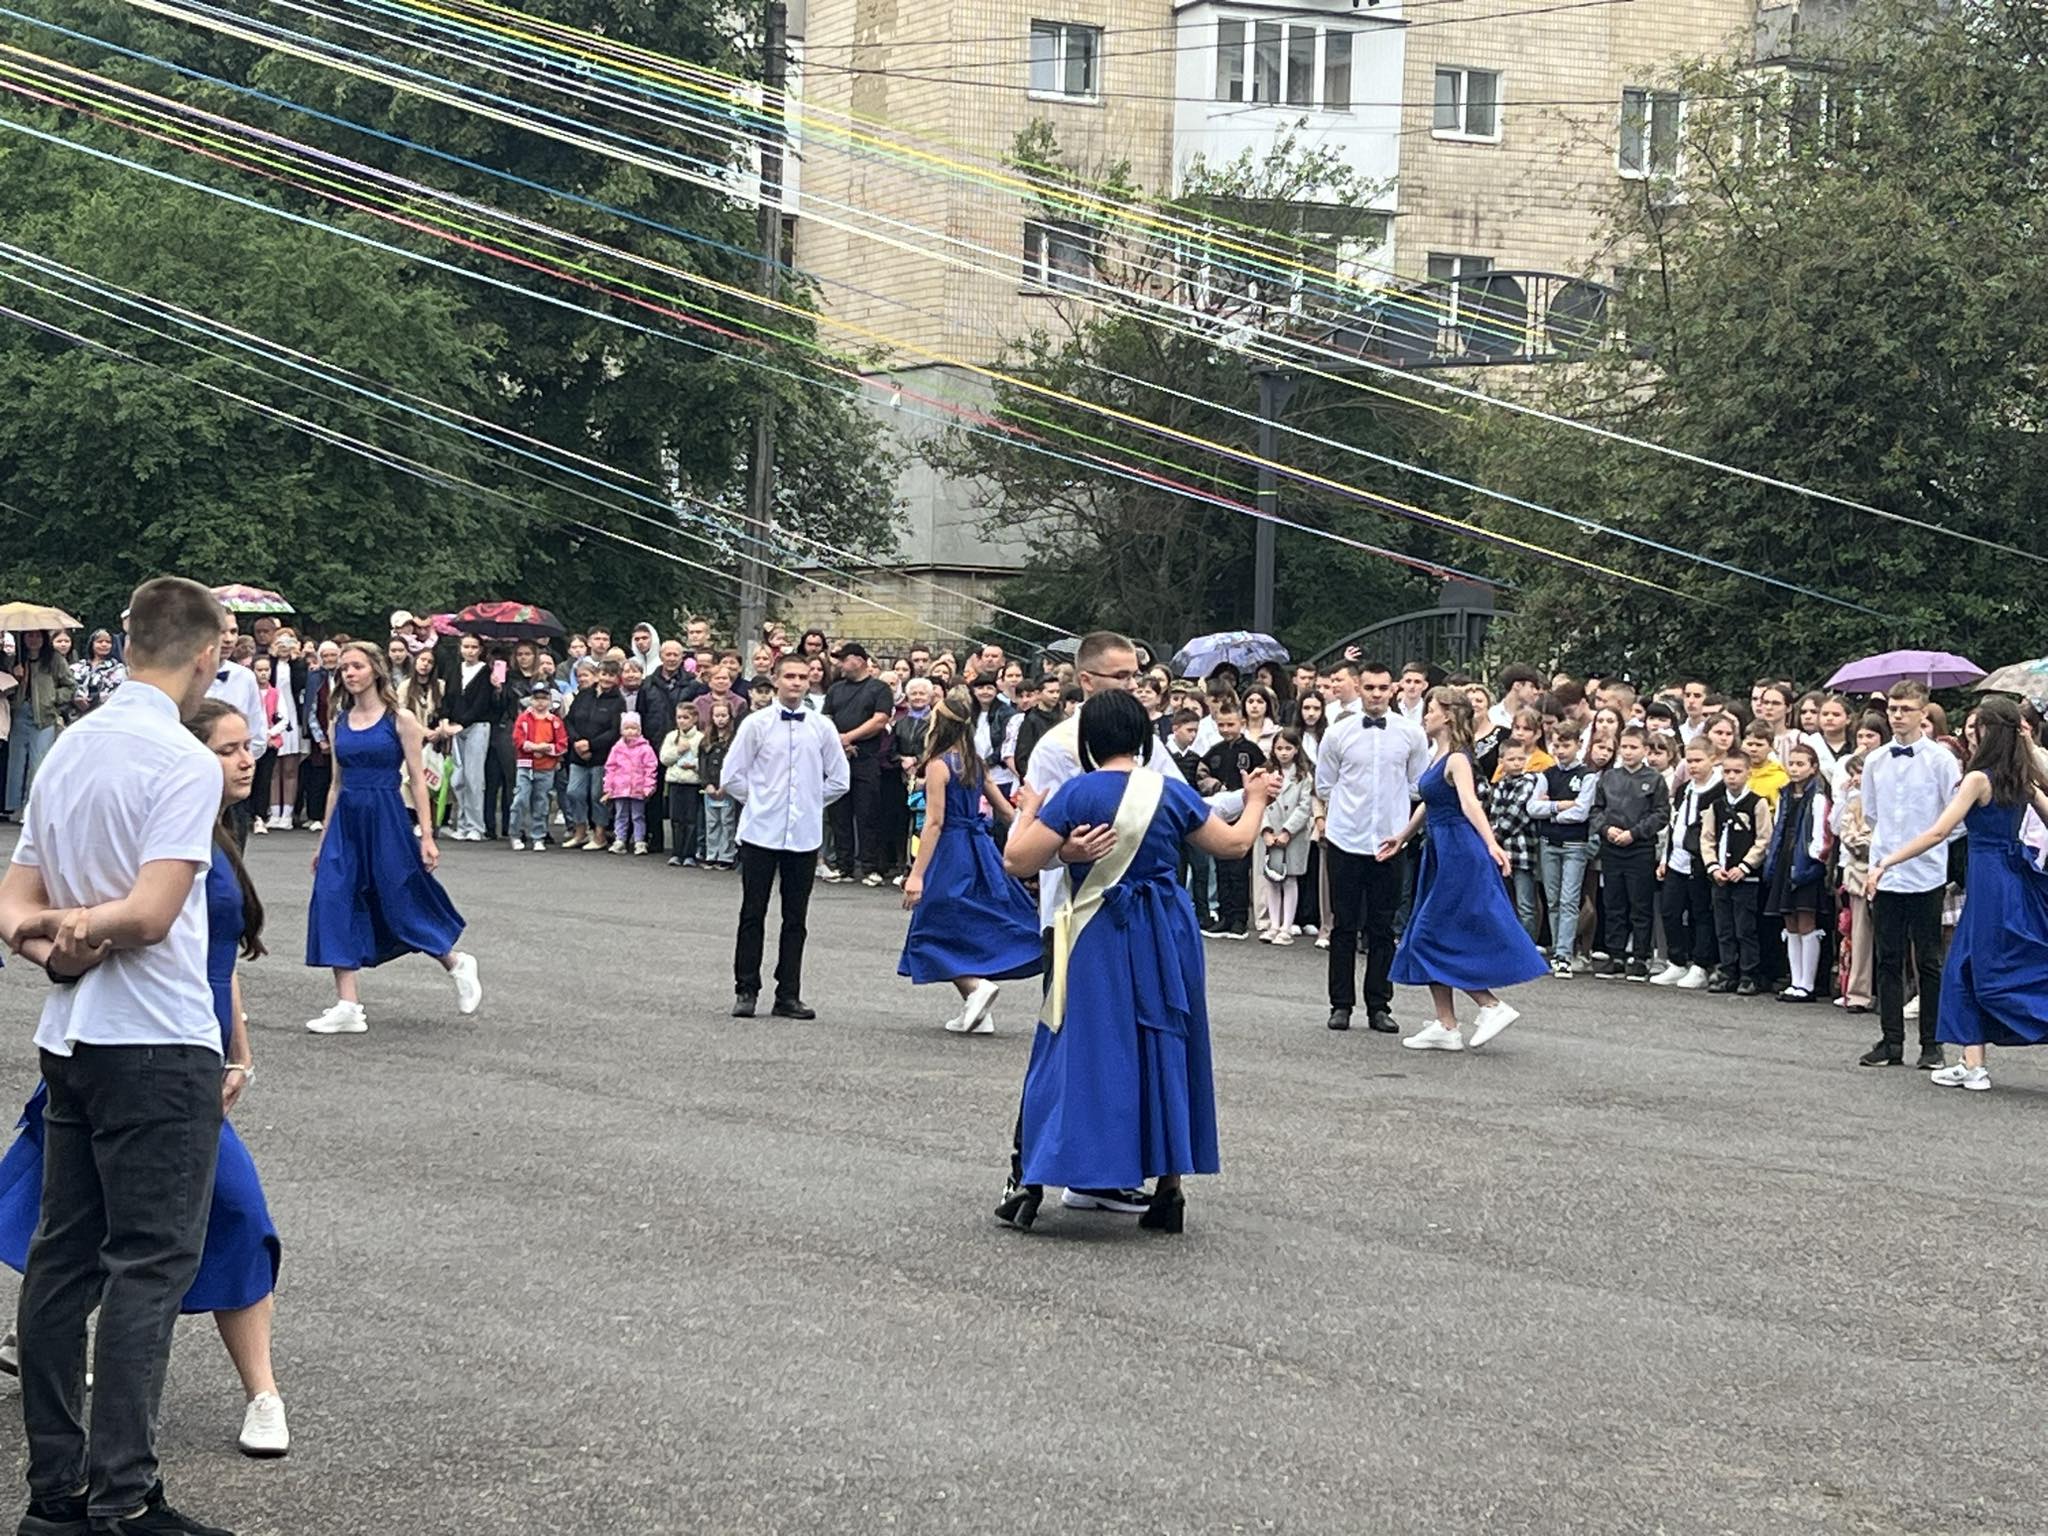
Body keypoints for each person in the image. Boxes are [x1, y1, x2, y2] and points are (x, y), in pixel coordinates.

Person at [0, 576, 235, 1536]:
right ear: (207, 655)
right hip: (158, 1035)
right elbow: (150, 914)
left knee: (63, 1260)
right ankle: (124, 1496)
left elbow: (14, 906)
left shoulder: (65, 750)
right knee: (147, 1265)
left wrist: (56, 931)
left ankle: (57, 1493)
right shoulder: (181, 762)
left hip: (73, 1039)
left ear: (128, 642)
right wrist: (91, 924)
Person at [0, 699, 289, 1459]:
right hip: (134, 1047)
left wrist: (241, 1049)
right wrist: (67, 946)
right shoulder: (154, 821)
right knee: (194, 1222)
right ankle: (145, 1455)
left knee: (94, 1237)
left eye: (247, 748)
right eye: (228, 749)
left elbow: (216, 957)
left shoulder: (222, 838)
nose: (243, 760)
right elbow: (114, 918)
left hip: (186, 1047)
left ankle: (251, 1394)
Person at [997, 690, 1273, 1234]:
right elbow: (1235, 845)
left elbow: (1017, 860)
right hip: (1164, 930)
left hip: (1098, 928)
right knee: (1165, 1041)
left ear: (1090, 740)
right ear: (1143, 738)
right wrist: (1258, 797)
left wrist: (1030, 810)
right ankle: (1168, 1191)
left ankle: (1032, 1180)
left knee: (1076, 1045)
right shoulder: (1168, 791)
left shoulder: (1077, 792)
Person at [1865, 696, 2048, 1090]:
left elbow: (1938, 831)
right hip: (2013, 873)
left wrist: (1886, 861)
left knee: (1979, 967)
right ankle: (1973, 1062)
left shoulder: (1978, 778)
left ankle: (1975, 1063)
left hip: (1988, 878)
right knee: (1968, 964)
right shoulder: (2021, 777)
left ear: (1986, 732)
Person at [303, 643, 481, 1035]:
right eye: (345, 668)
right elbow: (335, 784)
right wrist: (323, 838)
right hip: (346, 820)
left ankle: (454, 961)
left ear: (375, 671)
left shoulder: (401, 720)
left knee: (398, 899)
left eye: (357, 666)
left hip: (386, 816)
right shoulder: (339, 722)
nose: (349, 673)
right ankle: (348, 1004)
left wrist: (427, 837)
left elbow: (418, 781)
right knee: (334, 897)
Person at [1381, 688, 1548, 1051]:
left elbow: (1470, 803)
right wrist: (1403, 837)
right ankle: (1446, 1024)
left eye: (1431, 710)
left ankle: (1490, 1005)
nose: (1425, 715)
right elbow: (1430, 802)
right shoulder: (1436, 755)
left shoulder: (1458, 759)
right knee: (1423, 935)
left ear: (1448, 716)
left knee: (1428, 935)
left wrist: (1490, 843)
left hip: (1459, 850)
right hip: (1438, 850)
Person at [898, 687, 1041, 1033]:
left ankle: (975, 987)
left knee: (932, 924)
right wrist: (1029, 822)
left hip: (950, 849)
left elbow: (934, 822)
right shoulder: (974, 763)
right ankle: (976, 1007)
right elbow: (1006, 811)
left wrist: (916, 875)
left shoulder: (937, 765)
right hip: (980, 847)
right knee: (966, 918)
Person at [722, 654, 850, 1019]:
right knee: (753, 912)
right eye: (789, 676)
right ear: (775, 681)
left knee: (796, 918)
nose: (795, 682)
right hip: (761, 831)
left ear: (809, 682)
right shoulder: (756, 724)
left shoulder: (822, 727)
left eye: (802, 677)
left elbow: (840, 779)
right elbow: (732, 775)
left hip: (803, 835)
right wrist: (762, 801)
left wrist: (809, 802)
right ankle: (746, 988)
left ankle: (788, 994)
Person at [1315, 661, 1430, 1033]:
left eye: (1383, 688)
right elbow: (1325, 785)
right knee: (1343, 926)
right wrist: (1345, 818)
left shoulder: (1411, 734)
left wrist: (1399, 825)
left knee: (1382, 927)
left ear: (1393, 689)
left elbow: (1418, 785)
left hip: (1389, 842)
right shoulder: (1338, 733)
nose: (1377, 694)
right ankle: (1341, 1004)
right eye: (1370, 688)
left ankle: (1379, 1006)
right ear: (1359, 689)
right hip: (1346, 838)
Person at [1858, 680, 1962, 1068]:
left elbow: (1954, 817)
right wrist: (1883, 857)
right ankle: (1890, 1040)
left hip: (1927, 872)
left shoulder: (1941, 760)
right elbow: (1871, 814)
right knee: (1888, 956)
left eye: (1905, 709)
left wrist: (1929, 849)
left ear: (1923, 712)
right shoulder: (1875, 761)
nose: (1898, 716)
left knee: (1929, 959)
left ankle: (1932, 1044)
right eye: (1893, 709)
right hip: (1885, 872)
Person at [1589, 726, 1671, 982]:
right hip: (1612, 846)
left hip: (1639, 847)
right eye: (1624, 746)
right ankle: (1616, 955)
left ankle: (1640, 956)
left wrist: (1635, 833)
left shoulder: (1654, 779)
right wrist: (1606, 829)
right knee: (1614, 902)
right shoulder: (1609, 777)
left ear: (1645, 750)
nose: (1628, 752)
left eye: (1633, 747)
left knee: (1640, 903)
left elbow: (1660, 814)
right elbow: (1596, 810)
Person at [821, 644, 895, 886]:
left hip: (866, 757)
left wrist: (849, 737)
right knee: (839, 814)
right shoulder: (835, 689)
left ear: (859, 660)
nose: (840, 664)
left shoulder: (879, 688)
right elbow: (827, 718)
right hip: (837, 758)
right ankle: (844, 866)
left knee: (867, 813)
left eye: (844, 660)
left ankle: (871, 867)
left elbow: (880, 719)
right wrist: (838, 742)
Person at [1763, 741, 1833, 1001]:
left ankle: (1808, 983)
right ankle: (1795, 980)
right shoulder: (1784, 794)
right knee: (1789, 921)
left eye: (1801, 764)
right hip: (1785, 858)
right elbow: (1779, 826)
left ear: (1813, 768)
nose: (1794, 769)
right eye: (1791, 763)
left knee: (1806, 920)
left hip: (1805, 861)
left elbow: (1820, 833)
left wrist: (1814, 857)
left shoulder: (1817, 797)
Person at [1701, 750, 1775, 995]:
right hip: (1720, 877)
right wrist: (1712, 866)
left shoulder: (1757, 803)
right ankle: (1727, 970)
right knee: (1724, 927)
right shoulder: (1717, 805)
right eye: (1727, 772)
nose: (1731, 777)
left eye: (1737, 772)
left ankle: (1749, 973)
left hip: (1746, 878)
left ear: (1748, 773)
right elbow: (1707, 838)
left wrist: (1745, 866)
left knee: (1746, 928)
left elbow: (1764, 839)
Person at [1530, 720, 1599, 978]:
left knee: (1569, 900)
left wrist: (1550, 811)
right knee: (1553, 900)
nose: (1560, 750)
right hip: (1549, 843)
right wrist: (1559, 807)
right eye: (1556, 744)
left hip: (1574, 845)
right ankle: (1558, 950)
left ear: (1578, 745)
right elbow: (1532, 807)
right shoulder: (1547, 774)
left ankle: (1564, 954)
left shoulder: (1587, 776)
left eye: (1566, 745)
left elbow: (1581, 812)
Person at [1651, 735, 1720, 988]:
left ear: (1712, 759)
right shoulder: (1683, 789)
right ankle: (1676, 961)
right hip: (1676, 859)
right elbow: (1674, 824)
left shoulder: (1718, 790)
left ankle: (1701, 964)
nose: (1693, 766)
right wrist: (1665, 858)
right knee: (1670, 910)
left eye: (1699, 760)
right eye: (1689, 761)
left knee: (1700, 913)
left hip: (1700, 862)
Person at [1257, 730, 1312, 945]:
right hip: (1271, 832)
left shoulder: (1303, 776)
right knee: (1271, 878)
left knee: (1290, 879)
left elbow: (1304, 806)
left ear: (1297, 749)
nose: (1283, 753)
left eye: (1288, 748)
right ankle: (1273, 924)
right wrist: (1266, 830)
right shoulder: (1265, 773)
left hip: (1294, 835)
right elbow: (1259, 803)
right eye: (1279, 748)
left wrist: (1288, 830)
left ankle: (1286, 926)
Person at [564, 660, 625, 850]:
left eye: (611, 675)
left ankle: (599, 835)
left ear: (617, 679)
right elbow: (569, 720)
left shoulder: (618, 701)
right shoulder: (584, 695)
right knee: (574, 792)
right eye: (604, 674)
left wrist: (591, 745)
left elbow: (614, 731)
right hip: (577, 754)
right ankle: (580, 831)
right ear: (598, 674)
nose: (607, 679)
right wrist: (577, 742)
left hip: (601, 756)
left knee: (597, 795)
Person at [442, 634, 496, 843]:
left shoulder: (485, 672)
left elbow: (482, 703)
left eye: (474, 647)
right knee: (458, 779)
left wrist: (461, 724)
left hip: (477, 727)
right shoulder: (455, 669)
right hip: (455, 727)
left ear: (480, 649)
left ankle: (476, 825)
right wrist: (446, 719)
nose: (470, 651)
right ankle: (462, 823)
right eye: (466, 646)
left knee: (474, 778)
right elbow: (448, 697)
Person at [511, 684, 568, 852]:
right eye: (537, 698)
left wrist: (548, 749)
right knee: (520, 799)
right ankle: (515, 834)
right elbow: (517, 740)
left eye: (544, 698)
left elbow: (562, 744)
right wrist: (534, 747)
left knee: (541, 802)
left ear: (550, 701)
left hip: (546, 767)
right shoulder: (524, 718)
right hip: (525, 765)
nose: (540, 703)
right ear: (531, 700)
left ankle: (538, 836)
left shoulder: (555, 722)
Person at [603, 712, 659, 856]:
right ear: (622, 730)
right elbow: (611, 767)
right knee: (620, 815)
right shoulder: (617, 748)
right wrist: (609, 787)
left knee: (638, 816)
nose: (630, 731)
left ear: (639, 730)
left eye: (634, 728)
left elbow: (650, 768)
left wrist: (648, 786)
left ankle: (639, 841)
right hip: (620, 789)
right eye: (627, 728)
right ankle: (620, 839)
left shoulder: (645, 748)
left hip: (637, 789)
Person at [660, 705, 705, 869]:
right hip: (675, 782)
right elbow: (664, 758)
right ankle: (676, 853)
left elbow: (705, 761)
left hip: (692, 784)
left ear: (694, 719)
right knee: (676, 819)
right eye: (679, 717)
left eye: (685, 717)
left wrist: (693, 765)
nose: (682, 721)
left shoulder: (700, 738)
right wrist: (678, 751)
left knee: (691, 820)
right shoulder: (671, 736)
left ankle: (689, 854)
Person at [699, 699, 740, 871]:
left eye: (724, 715)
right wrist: (707, 784)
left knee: (727, 822)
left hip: (726, 789)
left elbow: (736, 764)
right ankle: (711, 853)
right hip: (710, 788)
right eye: (717, 716)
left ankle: (726, 855)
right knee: (712, 822)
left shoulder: (735, 740)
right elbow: (702, 764)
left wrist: (726, 786)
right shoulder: (706, 741)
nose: (720, 719)